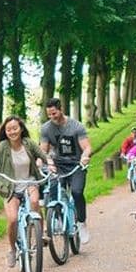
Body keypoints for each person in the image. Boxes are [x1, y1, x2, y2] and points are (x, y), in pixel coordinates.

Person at [0, 115, 48, 267]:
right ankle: (13, 249)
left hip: (29, 182)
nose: (12, 132)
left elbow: (42, 154)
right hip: (10, 186)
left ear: (20, 129)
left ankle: (40, 233)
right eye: (8, 129)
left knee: (34, 202)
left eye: (15, 128)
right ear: (5, 132)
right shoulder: (2, 147)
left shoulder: (28, 143)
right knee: (13, 219)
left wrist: (50, 163)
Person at [39, 97, 92, 243]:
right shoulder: (45, 128)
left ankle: (81, 223)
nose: (52, 117)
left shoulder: (76, 126)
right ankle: (56, 220)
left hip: (76, 165)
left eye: (54, 113)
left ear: (61, 109)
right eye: (49, 114)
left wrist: (85, 157)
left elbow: (86, 147)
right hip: (58, 165)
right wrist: (46, 161)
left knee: (76, 192)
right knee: (52, 190)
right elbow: (43, 150)